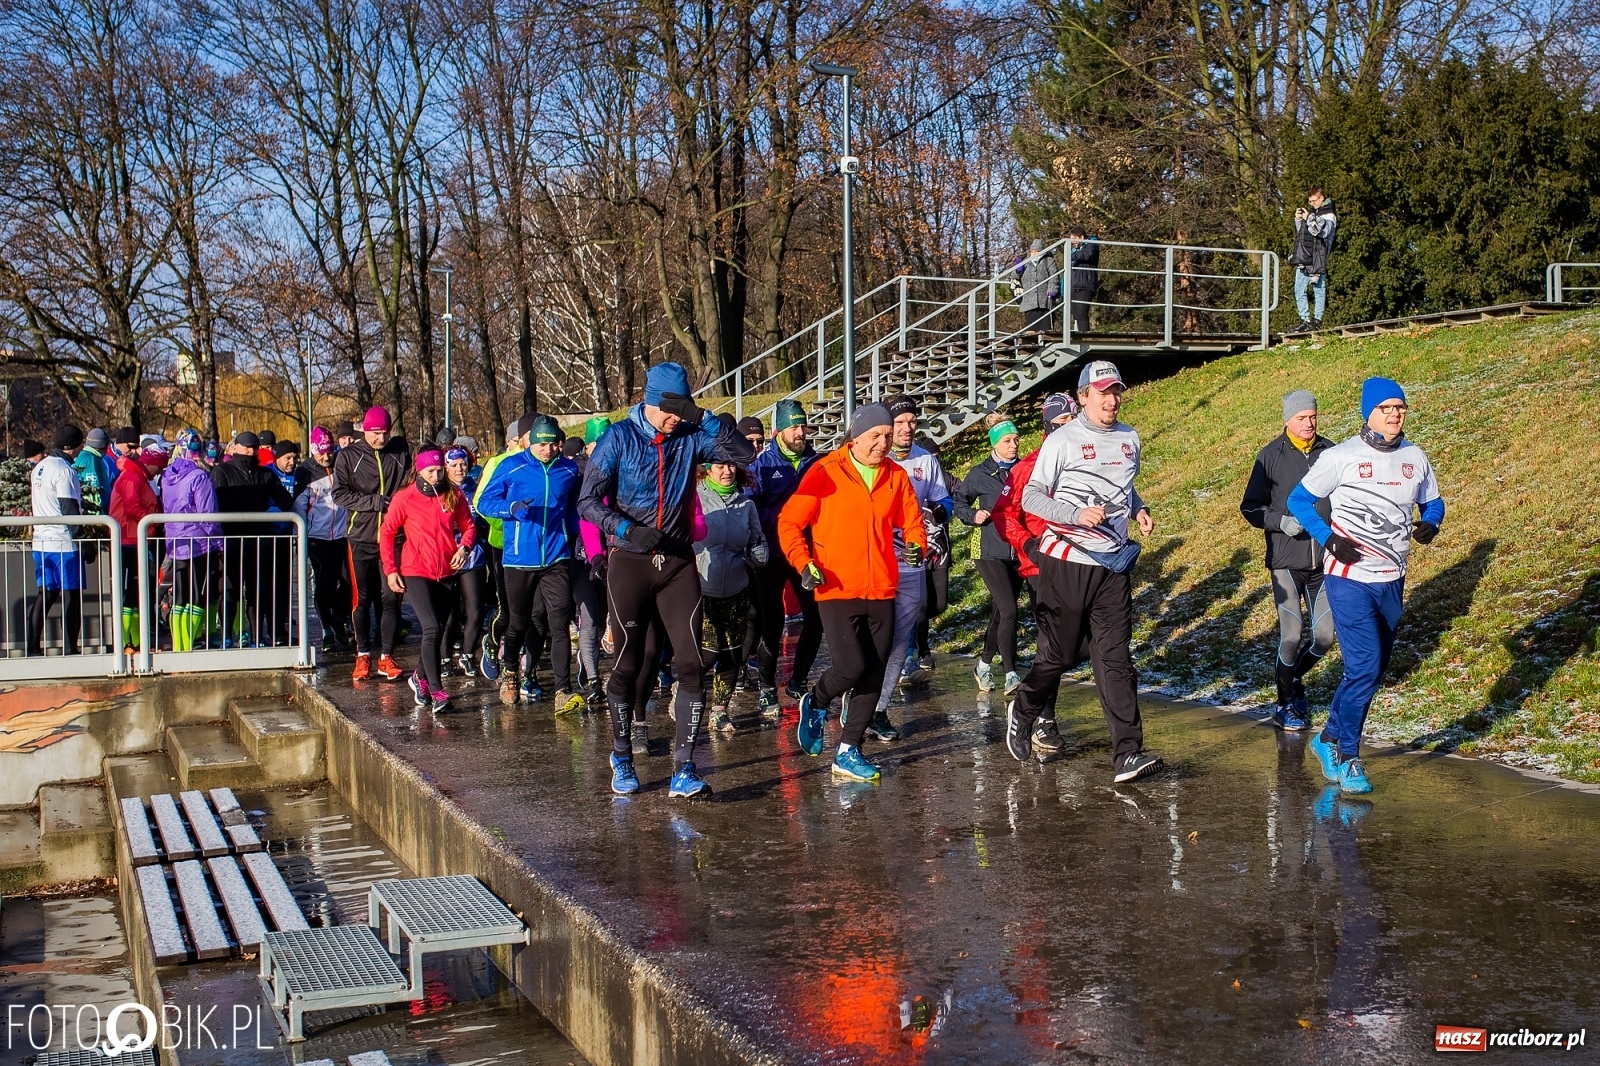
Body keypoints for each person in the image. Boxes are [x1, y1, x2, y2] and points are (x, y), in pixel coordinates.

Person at [579, 362, 754, 799]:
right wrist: (625, 530)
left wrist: (705, 419)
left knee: (692, 664)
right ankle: (621, 755)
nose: (677, 418)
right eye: (671, 410)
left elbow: (744, 455)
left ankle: (684, 769)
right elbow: (586, 501)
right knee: (629, 662)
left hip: (676, 562)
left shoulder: (690, 436)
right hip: (630, 561)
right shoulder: (618, 437)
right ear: (651, 402)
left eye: (683, 410)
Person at [1005, 361, 1164, 784]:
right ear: (1083, 397)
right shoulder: (1063, 440)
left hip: (1112, 564)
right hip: (1066, 560)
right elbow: (1033, 500)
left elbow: (1124, 488)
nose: (1111, 400)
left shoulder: (1130, 438)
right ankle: (1024, 707)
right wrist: (1075, 514)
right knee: (1057, 655)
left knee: (1116, 659)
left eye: (1116, 391)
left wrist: (1139, 508)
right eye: (1102, 392)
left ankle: (1128, 753)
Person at [1288, 377, 1443, 795]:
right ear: (1368, 412)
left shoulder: (1415, 456)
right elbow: (1298, 501)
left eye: (1400, 408)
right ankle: (1350, 756)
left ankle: (1327, 738)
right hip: (1348, 577)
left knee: (1370, 672)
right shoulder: (1342, 456)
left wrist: (1431, 523)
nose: (1394, 414)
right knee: (1363, 667)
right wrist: (1328, 538)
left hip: (1392, 579)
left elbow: (1433, 500)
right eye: (1386, 408)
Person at [778, 403, 925, 782]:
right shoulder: (826, 471)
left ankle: (848, 750)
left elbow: (913, 521)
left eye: (888, 437)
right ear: (855, 437)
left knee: (874, 673)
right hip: (835, 586)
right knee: (850, 667)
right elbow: (789, 522)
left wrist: (915, 544)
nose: (883, 443)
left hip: (882, 587)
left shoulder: (895, 476)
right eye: (875, 436)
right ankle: (817, 698)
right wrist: (803, 562)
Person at [1240, 389, 1336, 730]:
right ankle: (1285, 705)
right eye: (1301, 418)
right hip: (1285, 560)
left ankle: (1291, 679)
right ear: (1287, 420)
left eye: (1312, 417)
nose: (1309, 423)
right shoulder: (1270, 456)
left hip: (1325, 561)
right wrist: (1280, 522)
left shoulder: (1331, 452)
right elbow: (1250, 506)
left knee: (1325, 636)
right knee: (1292, 637)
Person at [476, 415, 585, 713]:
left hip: (556, 556)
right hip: (519, 558)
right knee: (519, 622)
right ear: (530, 442)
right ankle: (510, 671)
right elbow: (483, 502)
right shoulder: (512, 466)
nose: (548, 450)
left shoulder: (568, 469)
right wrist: (510, 508)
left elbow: (574, 507)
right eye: (541, 444)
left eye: (553, 444)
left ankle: (563, 690)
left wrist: (576, 535)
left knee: (559, 623)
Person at [991, 392, 1079, 746]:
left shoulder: (1088, 453)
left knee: (1084, 642)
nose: (1067, 430)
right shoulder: (1030, 464)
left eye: (1072, 422)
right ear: (1047, 426)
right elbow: (1003, 512)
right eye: (1059, 424)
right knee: (1054, 642)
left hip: (1085, 560)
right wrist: (1028, 545)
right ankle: (1044, 718)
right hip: (1042, 565)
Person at [872, 395, 952, 739]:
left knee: (900, 638)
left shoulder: (924, 460)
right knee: (875, 636)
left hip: (911, 558)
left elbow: (941, 498)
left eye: (911, 422)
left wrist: (939, 514)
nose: (906, 428)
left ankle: (878, 709)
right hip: (875, 557)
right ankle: (856, 696)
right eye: (899, 423)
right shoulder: (874, 457)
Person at [380, 448, 475, 714]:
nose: (436, 476)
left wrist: (464, 548)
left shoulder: (452, 494)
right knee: (431, 628)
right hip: (415, 569)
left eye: (439, 471)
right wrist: (391, 569)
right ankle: (437, 690)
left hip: (446, 569)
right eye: (430, 471)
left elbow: (469, 527)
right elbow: (387, 532)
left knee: (442, 628)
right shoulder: (405, 497)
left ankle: (418, 677)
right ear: (419, 471)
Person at [750, 398, 823, 713]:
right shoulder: (761, 466)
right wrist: (786, 517)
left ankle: (798, 680)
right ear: (778, 429)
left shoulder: (816, 463)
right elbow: (750, 509)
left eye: (803, 425)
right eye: (794, 426)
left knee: (815, 619)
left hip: (806, 554)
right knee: (772, 623)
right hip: (772, 554)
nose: (800, 432)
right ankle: (767, 687)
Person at [333, 406, 411, 681]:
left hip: (394, 538)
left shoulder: (400, 451)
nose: (380, 438)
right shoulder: (348, 456)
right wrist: (375, 503)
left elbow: (409, 484)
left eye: (385, 432)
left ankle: (386, 656)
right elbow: (339, 494)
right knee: (362, 599)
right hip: (361, 537)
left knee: (391, 598)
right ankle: (362, 654)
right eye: (375, 433)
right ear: (364, 431)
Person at [694, 453, 768, 733]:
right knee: (709, 653)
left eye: (731, 465)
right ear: (707, 468)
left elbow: (757, 541)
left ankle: (719, 711)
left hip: (737, 586)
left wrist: (760, 553)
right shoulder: (696, 498)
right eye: (720, 465)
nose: (727, 471)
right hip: (703, 587)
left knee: (732, 654)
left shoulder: (746, 502)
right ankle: (685, 686)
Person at [955, 413, 1025, 694]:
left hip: (1018, 551)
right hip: (988, 550)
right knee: (1010, 609)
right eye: (1007, 441)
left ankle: (983, 665)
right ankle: (1010, 674)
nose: (1014, 445)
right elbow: (959, 500)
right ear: (994, 444)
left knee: (1001, 612)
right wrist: (973, 515)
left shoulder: (1023, 469)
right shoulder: (981, 473)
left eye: (1016, 439)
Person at [211, 431, 295, 648]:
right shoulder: (222, 471)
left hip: (260, 541)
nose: (250, 451)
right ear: (235, 448)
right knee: (230, 590)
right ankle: (227, 635)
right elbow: (220, 502)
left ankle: (257, 637)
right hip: (232, 540)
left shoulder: (265, 474)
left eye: (254, 448)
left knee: (258, 591)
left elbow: (285, 500)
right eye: (246, 447)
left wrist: (270, 509)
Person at [472, 416, 528, 682]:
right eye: (518, 441)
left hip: (535, 548)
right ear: (510, 442)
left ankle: (525, 671)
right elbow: (482, 503)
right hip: (503, 545)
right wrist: (510, 522)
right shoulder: (497, 463)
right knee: (507, 610)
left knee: (533, 613)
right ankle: (492, 644)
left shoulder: (543, 462)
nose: (522, 446)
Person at [160, 431, 223, 651]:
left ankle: (180, 644)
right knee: (197, 594)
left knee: (180, 594)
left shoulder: (167, 474)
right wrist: (219, 543)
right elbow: (208, 514)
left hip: (175, 542)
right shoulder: (199, 476)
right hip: (198, 543)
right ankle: (192, 642)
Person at [26, 431, 85, 656]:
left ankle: (32, 646)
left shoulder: (40, 467)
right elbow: (69, 507)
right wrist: (82, 538)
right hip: (62, 542)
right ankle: (70, 648)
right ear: (73, 446)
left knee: (46, 594)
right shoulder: (64, 470)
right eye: (79, 446)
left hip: (41, 542)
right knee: (72, 595)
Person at [294, 427, 351, 652]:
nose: (327, 456)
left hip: (341, 533)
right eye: (322, 452)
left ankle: (337, 617)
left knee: (347, 580)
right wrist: (300, 535)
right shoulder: (305, 471)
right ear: (314, 450)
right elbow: (299, 505)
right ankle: (326, 630)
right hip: (317, 536)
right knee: (324, 583)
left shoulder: (340, 464)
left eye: (330, 451)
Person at [108, 444, 166, 652]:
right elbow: (133, 508)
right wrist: (156, 521)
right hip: (129, 541)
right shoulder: (132, 478)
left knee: (135, 593)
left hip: (137, 539)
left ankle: (136, 641)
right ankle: (127, 642)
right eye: (159, 467)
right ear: (151, 464)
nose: (160, 471)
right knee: (130, 593)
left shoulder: (139, 478)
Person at [442, 445, 490, 677]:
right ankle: (444, 658)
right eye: (454, 465)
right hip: (447, 559)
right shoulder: (440, 490)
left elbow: (485, 515)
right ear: (445, 468)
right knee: (449, 616)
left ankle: (468, 655)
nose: (460, 469)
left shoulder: (475, 488)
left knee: (475, 612)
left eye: (463, 464)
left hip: (473, 557)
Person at [1287, 187, 1337, 334]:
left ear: (1322, 198)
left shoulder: (1329, 214)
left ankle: (1316, 320)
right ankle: (1305, 320)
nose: (1312, 204)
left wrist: (1309, 217)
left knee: (1318, 289)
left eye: (1314, 201)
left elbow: (1323, 233)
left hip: (1318, 257)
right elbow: (1304, 233)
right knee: (1298, 289)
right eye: (1310, 201)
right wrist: (1298, 219)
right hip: (1305, 256)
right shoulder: (1313, 212)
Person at [1015, 239, 1059, 334]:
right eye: (1032, 251)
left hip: (1045, 300)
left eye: (1036, 251)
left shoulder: (1048, 261)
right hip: (1029, 301)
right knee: (1031, 330)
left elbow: (1054, 276)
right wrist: (1017, 270)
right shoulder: (1025, 262)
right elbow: (1014, 277)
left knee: (1045, 330)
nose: (1034, 253)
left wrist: (1052, 289)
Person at [1066, 226, 1100, 335]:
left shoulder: (1091, 244)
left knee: (1082, 313)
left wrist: (1071, 255)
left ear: (1081, 237)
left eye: (1074, 239)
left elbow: (1086, 255)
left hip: (1086, 284)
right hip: (1075, 285)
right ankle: (1079, 336)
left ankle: (1084, 337)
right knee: (1075, 314)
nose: (1073, 243)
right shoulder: (1075, 250)